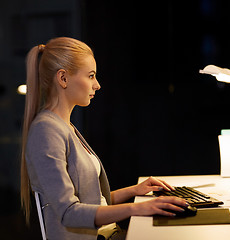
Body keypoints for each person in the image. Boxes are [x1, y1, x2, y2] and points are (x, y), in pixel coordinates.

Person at [20, 37, 188, 240]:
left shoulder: (65, 127)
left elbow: (93, 201)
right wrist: (138, 208)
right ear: (63, 78)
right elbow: (68, 212)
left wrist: (135, 191)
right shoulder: (46, 131)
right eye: (91, 76)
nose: (97, 85)